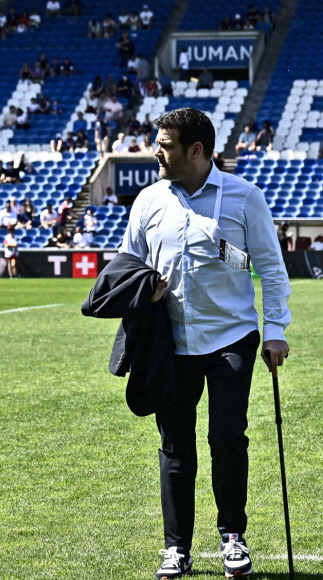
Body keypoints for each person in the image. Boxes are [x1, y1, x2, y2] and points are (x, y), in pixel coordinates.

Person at [115, 108, 290, 579]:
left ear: (196, 150)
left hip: (232, 336)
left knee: (227, 437)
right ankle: (177, 549)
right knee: (175, 446)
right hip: (170, 343)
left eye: (166, 144)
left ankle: (233, 537)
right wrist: (140, 289)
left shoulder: (244, 197)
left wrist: (275, 329)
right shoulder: (149, 200)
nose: (156, 150)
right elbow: (127, 263)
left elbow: (271, 269)